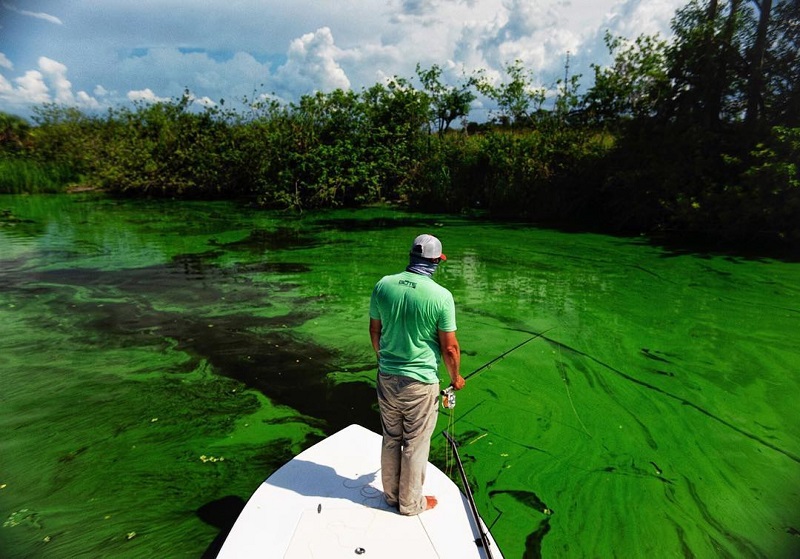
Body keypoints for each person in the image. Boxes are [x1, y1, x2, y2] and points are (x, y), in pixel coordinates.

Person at [368, 233, 466, 515]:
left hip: (386, 376)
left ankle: (390, 496)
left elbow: (375, 331)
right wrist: (455, 379)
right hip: (420, 384)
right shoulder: (441, 297)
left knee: (391, 438)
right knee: (415, 444)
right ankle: (410, 504)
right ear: (436, 261)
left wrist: (384, 359)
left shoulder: (383, 285)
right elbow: (450, 349)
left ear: (412, 256)